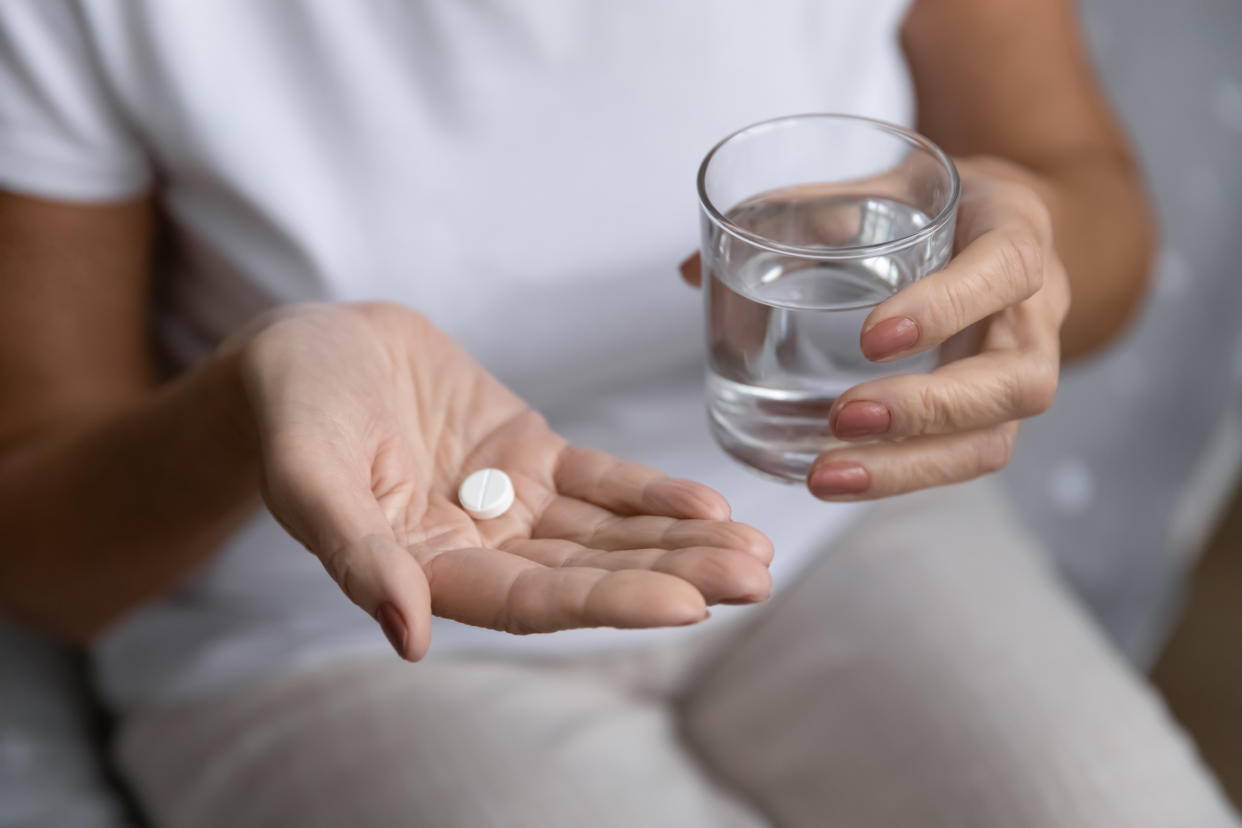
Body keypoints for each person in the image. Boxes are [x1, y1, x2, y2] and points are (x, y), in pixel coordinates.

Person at [0, 0, 1234, 825]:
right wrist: (248, 401)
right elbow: (43, 551)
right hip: (337, 628)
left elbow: (1089, 195)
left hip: (833, 515)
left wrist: (1019, 233)